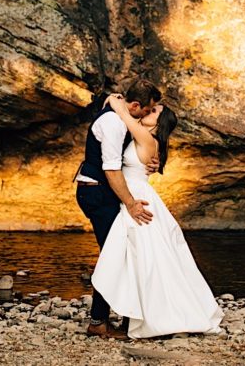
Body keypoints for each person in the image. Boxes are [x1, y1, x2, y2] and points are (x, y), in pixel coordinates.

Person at [91, 95, 223, 339]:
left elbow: (124, 115)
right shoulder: (143, 137)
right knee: (140, 257)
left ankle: (149, 316)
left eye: (152, 112)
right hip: (130, 196)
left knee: (146, 258)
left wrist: (116, 103)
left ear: (157, 124)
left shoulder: (145, 137)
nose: (146, 112)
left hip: (135, 199)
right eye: (149, 108)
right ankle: (132, 315)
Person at [74, 79, 161, 339]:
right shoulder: (112, 123)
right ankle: (98, 322)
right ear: (135, 105)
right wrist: (132, 204)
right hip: (98, 192)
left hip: (101, 191)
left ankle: (121, 319)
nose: (147, 115)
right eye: (147, 110)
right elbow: (110, 169)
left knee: (120, 253)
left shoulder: (118, 115)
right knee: (115, 254)